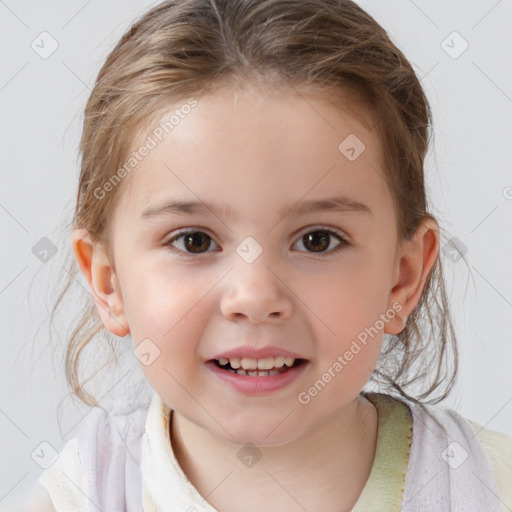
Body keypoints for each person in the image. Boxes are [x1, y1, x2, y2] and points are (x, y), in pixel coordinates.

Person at [15, 0, 512, 510]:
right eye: (194, 241)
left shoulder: (488, 487)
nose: (254, 297)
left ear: (402, 278)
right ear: (108, 282)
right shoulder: (82, 497)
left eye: (318, 240)